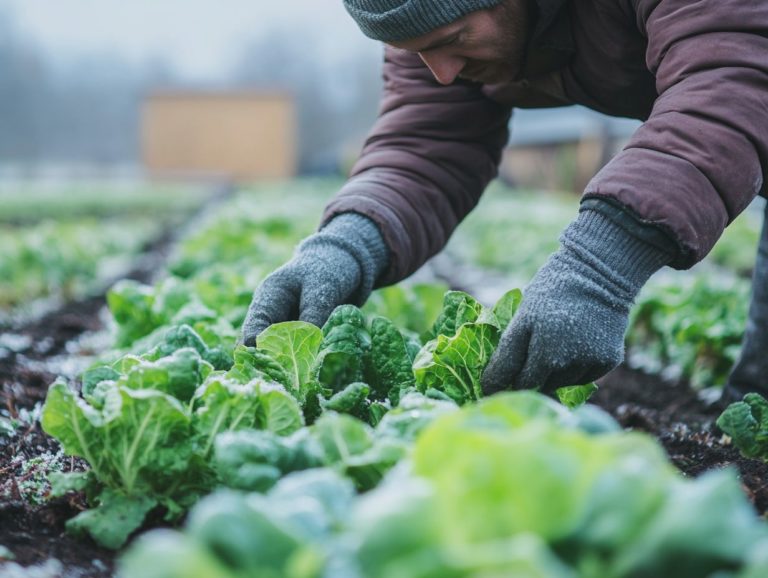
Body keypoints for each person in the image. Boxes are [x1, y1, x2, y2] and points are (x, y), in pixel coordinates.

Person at [243, 0, 768, 399]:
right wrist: (347, 243)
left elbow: (735, 84)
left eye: (452, 39)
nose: (440, 72)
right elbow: (428, 145)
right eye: (416, 52)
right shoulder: (427, 23)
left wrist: (600, 266)